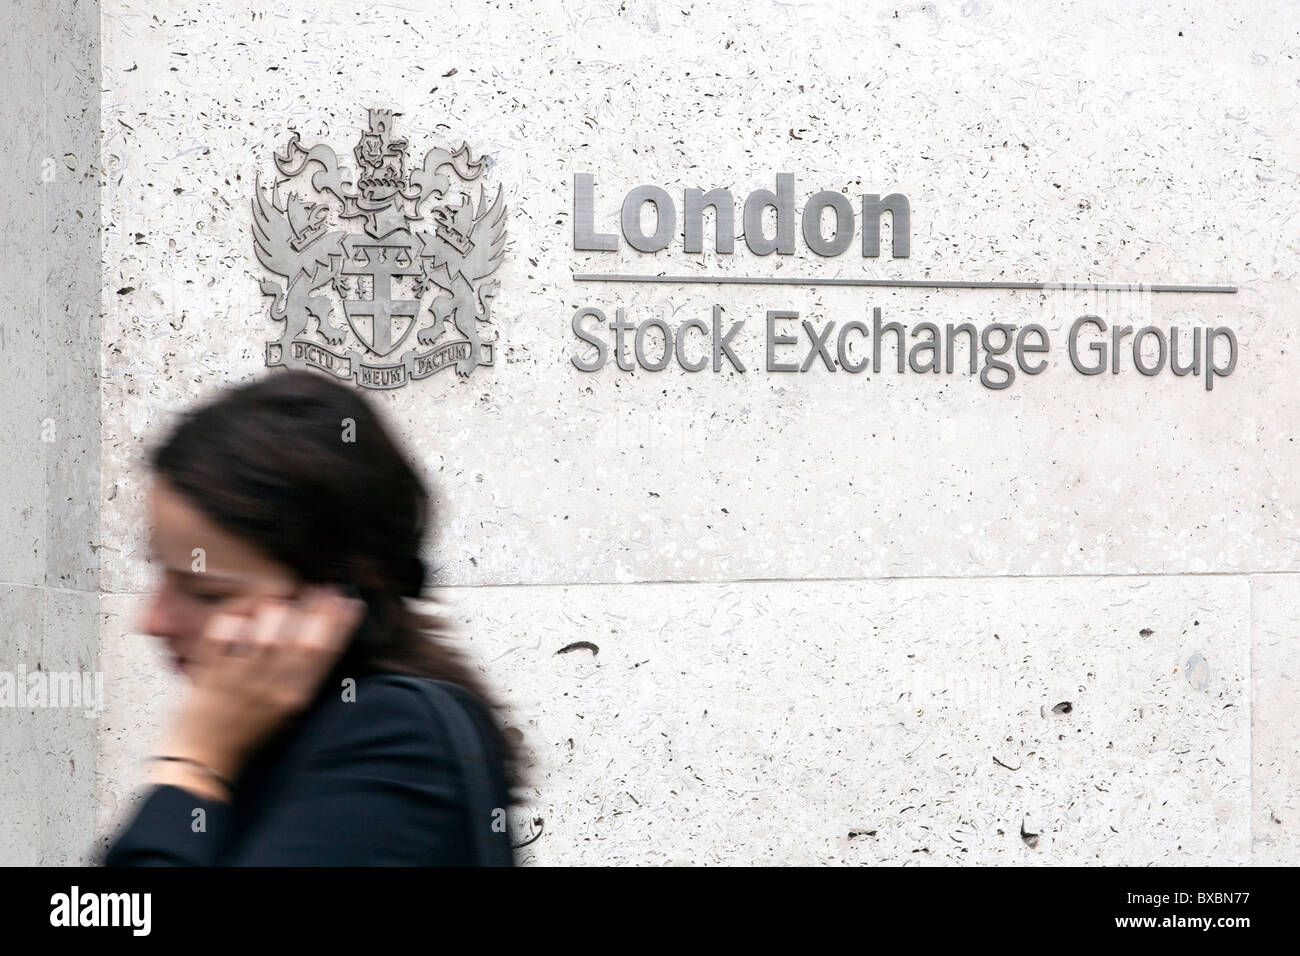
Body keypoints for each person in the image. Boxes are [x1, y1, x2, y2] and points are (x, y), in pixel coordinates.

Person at [99, 369, 521, 865]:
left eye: (206, 591)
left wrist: (192, 763)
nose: (153, 620)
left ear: (336, 594)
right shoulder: (271, 735)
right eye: (160, 571)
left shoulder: (395, 743)